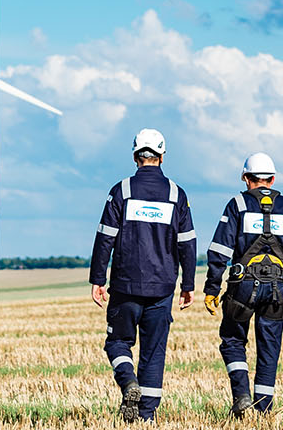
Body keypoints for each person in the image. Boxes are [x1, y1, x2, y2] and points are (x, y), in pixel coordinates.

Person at [89, 128, 196, 422]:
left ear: (136, 155)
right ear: (161, 156)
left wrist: (98, 279)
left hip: (125, 285)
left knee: (117, 342)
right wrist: (188, 284)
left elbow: (105, 238)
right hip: (162, 288)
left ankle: (127, 381)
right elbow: (187, 242)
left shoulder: (121, 191)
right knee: (153, 352)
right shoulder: (177, 194)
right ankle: (145, 417)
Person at [203, 152, 283, 417]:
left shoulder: (237, 205)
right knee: (269, 349)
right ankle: (263, 410)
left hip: (243, 287)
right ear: (272, 179)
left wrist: (212, 288)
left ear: (245, 178)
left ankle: (241, 397)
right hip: (279, 290)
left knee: (231, 339)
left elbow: (219, 249)